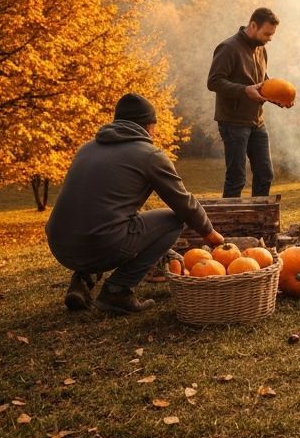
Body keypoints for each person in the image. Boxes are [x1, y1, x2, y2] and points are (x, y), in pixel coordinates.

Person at [45, 93, 224, 315]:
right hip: (99, 244)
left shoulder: (87, 148)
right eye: (155, 126)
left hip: (59, 244)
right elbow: (184, 203)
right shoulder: (149, 155)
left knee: (103, 219)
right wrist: (210, 233)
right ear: (148, 125)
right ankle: (118, 291)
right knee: (173, 220)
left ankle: (81, 283)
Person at [207, 6, 290, 199]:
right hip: (233, 122)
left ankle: (258, 220)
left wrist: (278, 97)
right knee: (236, 178)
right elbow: (213, 82)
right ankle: (229, 224)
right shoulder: (228, 48)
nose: (270, 38)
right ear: (253, 25)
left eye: (272, 34)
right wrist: (244, 90)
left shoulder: (261, 50)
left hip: (257, 122)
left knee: (265, 174)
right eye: (267, 33)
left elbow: (262, 82)